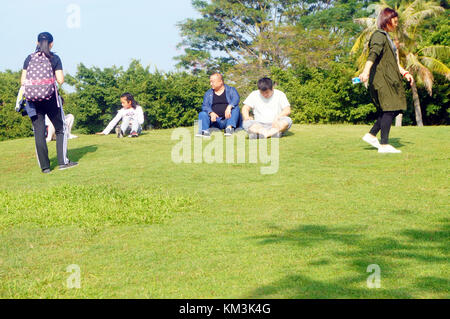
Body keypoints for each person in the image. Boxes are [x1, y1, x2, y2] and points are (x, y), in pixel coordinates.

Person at [359, 7, 414, 154]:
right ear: (387, 21)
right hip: (381, 80)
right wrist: (365, 71)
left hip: (391, 79)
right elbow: (373, 54)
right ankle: (384, 145)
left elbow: (395, 63)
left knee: (394, 108)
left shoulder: (388, 38)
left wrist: (405, 73)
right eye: (395, 21)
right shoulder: (378, 35)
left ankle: (371, 135)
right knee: (389, 108)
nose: (396, 24)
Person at [21, 32, 78, 173]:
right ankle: (63, 162)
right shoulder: (54, 58)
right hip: (51, 98)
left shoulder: (29, 58)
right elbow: (60, 80)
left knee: (39, 133)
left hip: (33, 101)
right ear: (51, 44)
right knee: (61, 128)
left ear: (37, 43)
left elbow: (23, 81)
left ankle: (45, 167)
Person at [196, 73, 240, 138]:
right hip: (214, 121)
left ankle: (229, 129)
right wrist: (211, 113)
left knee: (236, 108)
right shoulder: (208, 93)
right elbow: (205, 106)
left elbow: (236, 99)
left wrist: (229, 107)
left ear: (220, 82)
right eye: (210, 82)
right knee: (202, 113)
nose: (211, 84)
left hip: (227, 119)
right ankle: (204, 131)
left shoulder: (231, 90)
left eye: (213, 82)